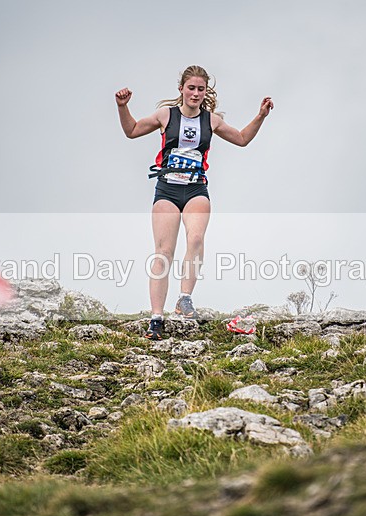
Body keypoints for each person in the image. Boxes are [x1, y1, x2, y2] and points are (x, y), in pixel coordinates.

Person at [115, 65, 273, 340]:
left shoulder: (211, 121)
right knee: (164, 251)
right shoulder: (166, 115)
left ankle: (184, 298)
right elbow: (132, 131)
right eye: (191, 88)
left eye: (201, 89)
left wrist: (260, 116)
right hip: (167, 189)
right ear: (182, 89)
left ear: (205, 92)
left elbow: (242, 139)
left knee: (196, 238)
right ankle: (156, 318)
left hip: (196, 188)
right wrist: (122, 106)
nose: (196, 93)